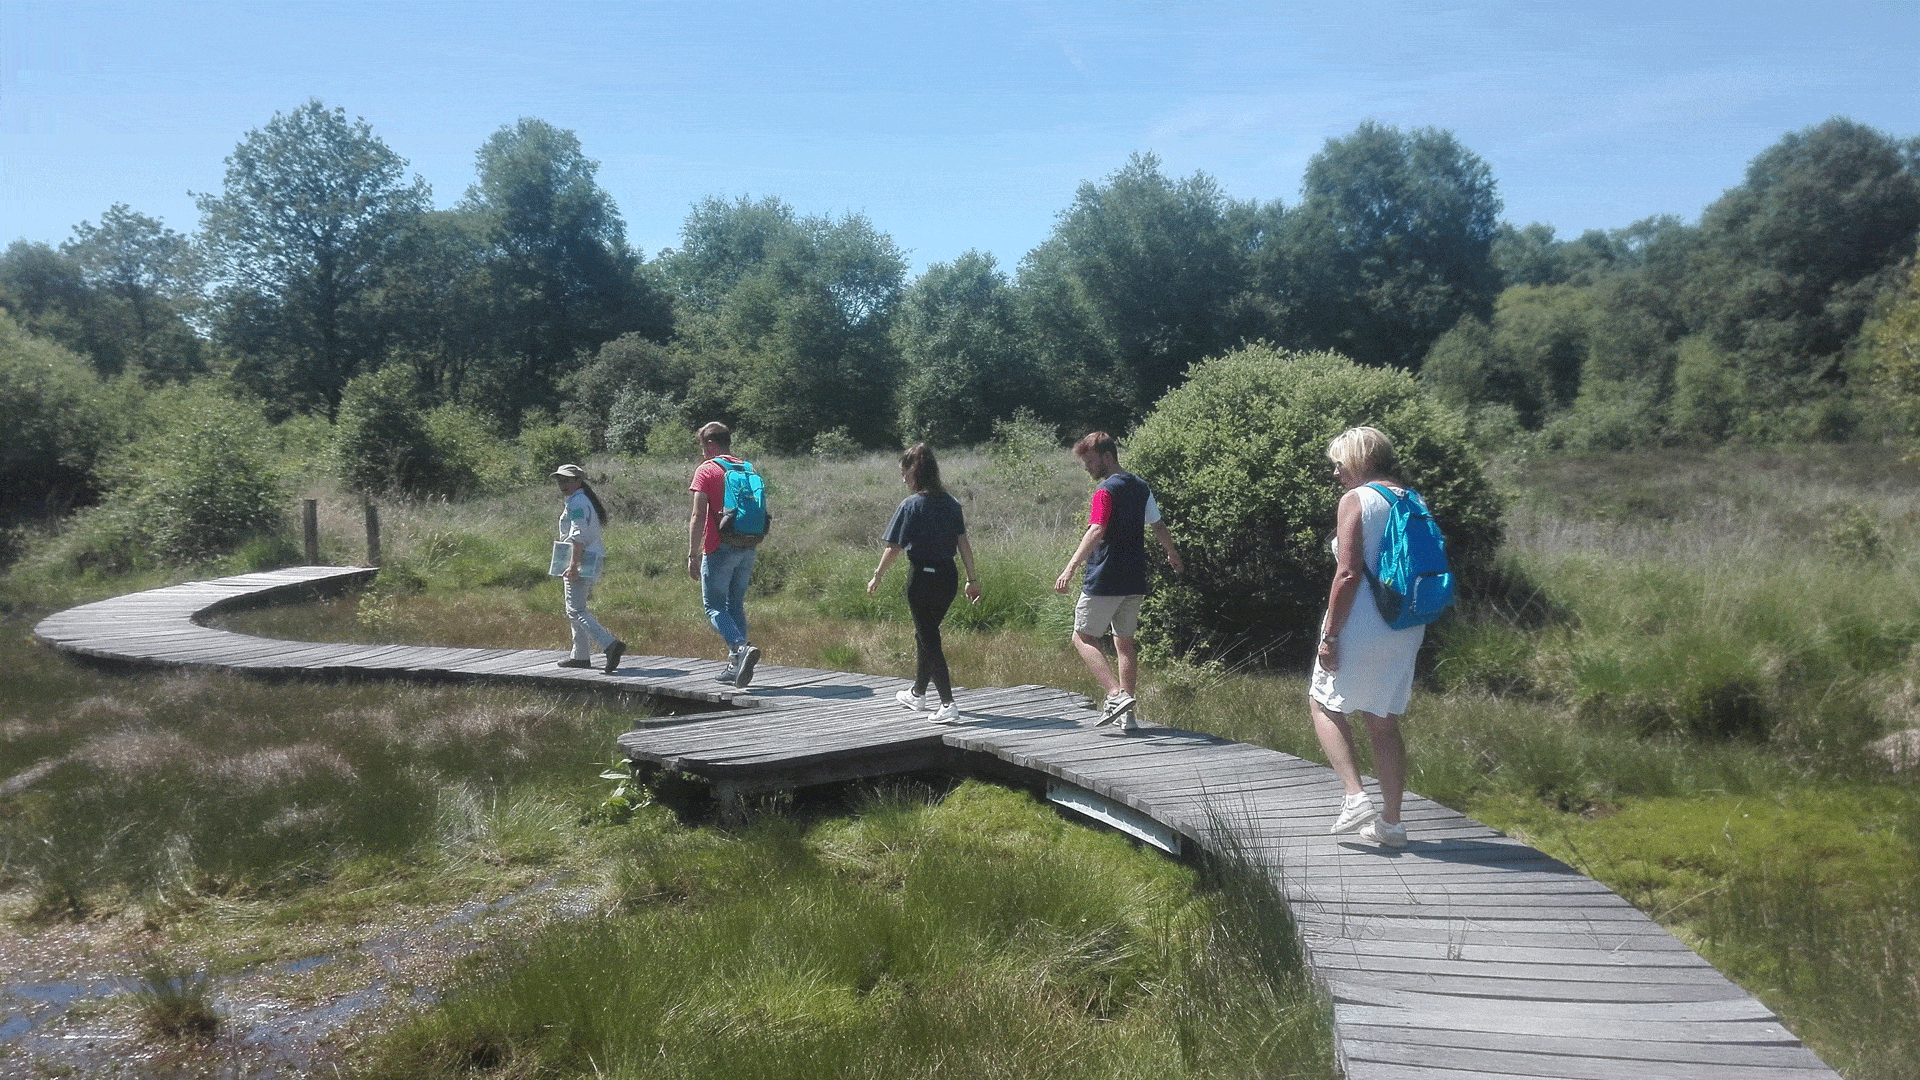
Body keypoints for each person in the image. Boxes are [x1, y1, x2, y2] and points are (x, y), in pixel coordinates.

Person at [1310, 426, 1424, 849]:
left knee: (1322, 702)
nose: (1337, 472)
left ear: (1359, 461)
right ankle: (1392, 825)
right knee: (1383, 720)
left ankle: (1355, 798)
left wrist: (1329, 636)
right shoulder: (1412, 498)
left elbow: (1348, 572)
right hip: (1406, 623)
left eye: (1340, 464)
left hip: (1362, 621)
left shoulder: (1357, 499)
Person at [1053, 431, 1183, 731]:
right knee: (1124, 643)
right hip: (1134, 577)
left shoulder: (1104, 491)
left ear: (1107, 457)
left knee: (1082, 637)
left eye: (1090, 461)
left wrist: (1070, 567)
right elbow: (1158, 525)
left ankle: (1115, 695)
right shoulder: (1140, 487)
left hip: (1106, 577)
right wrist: (1172, 554)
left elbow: (1097, 530)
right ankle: (1129, 717)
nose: (1087, 467)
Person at [868, 444, 981, 724]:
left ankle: (947, 703)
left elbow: (894, 547)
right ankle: (917, 693)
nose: (902, 478)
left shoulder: (911, 505)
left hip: (921, 579)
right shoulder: (951, 503)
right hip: (948, 578)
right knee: (924, 634)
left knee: (929, 638)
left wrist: (878, 575)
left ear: (913, 471)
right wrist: (972, 579)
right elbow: (963, 542)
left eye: (903, 472)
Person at [687, 421, 761, 687]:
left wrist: (692, 554)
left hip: (719, 547)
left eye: (702, 446)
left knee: (714, 606)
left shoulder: (707, 470)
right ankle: (734, 667)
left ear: (710, 443)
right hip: (748, 545)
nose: (702, 452)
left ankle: (741, 649)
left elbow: (698, 516)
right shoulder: (746, 467)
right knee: (735, 604)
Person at [552, 464, 625, 674]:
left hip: (581, 558)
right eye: (559, 480)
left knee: (575, 609)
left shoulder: (577, 503)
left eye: (566, 480)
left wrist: (573, 565)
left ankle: (609, 644)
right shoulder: (582, 500)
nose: (562, 484)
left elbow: (577, 536)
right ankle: (580, 655)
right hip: (590, 557)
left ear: (578, 480)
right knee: (577, 605)